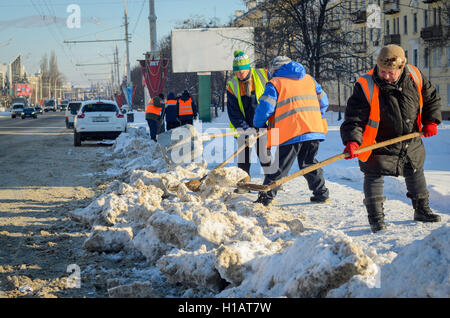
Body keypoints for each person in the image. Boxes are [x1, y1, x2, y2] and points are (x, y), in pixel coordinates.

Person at [340, 44, 442, 233]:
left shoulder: (415, 76)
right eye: (383, 71)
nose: (386, 75)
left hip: (409, 138)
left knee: (415, 170)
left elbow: (431, 99)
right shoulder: (366, 84)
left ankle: (422, 210)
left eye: (390, 72)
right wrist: (353, 141)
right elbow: (355, 117)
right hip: (377, 142)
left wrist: (431, 121)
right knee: (373, 175)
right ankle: (376, 219)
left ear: (401, 67)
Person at [253, 56, 330, 206]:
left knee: (279, 167)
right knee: (309, 163)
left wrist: (258, 124)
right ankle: (321, 193)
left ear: (275, 70)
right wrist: (315, 117)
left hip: (291, 132)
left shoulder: (275, 83)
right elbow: (324, 101)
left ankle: (265, 198)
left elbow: (265, 108)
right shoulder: (309, 80)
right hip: (313, 129)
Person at [226, 49, 272, 193]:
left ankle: (272, 183)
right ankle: (243, 185)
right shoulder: (232, 85)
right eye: (237, 71)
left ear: (248, 67)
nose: (240, 73)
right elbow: (234, 113)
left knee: (265, 155)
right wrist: (247, 131)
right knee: (243, 157)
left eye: (243, 70)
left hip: (264, 124)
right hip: (243, 126)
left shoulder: (263, 75)